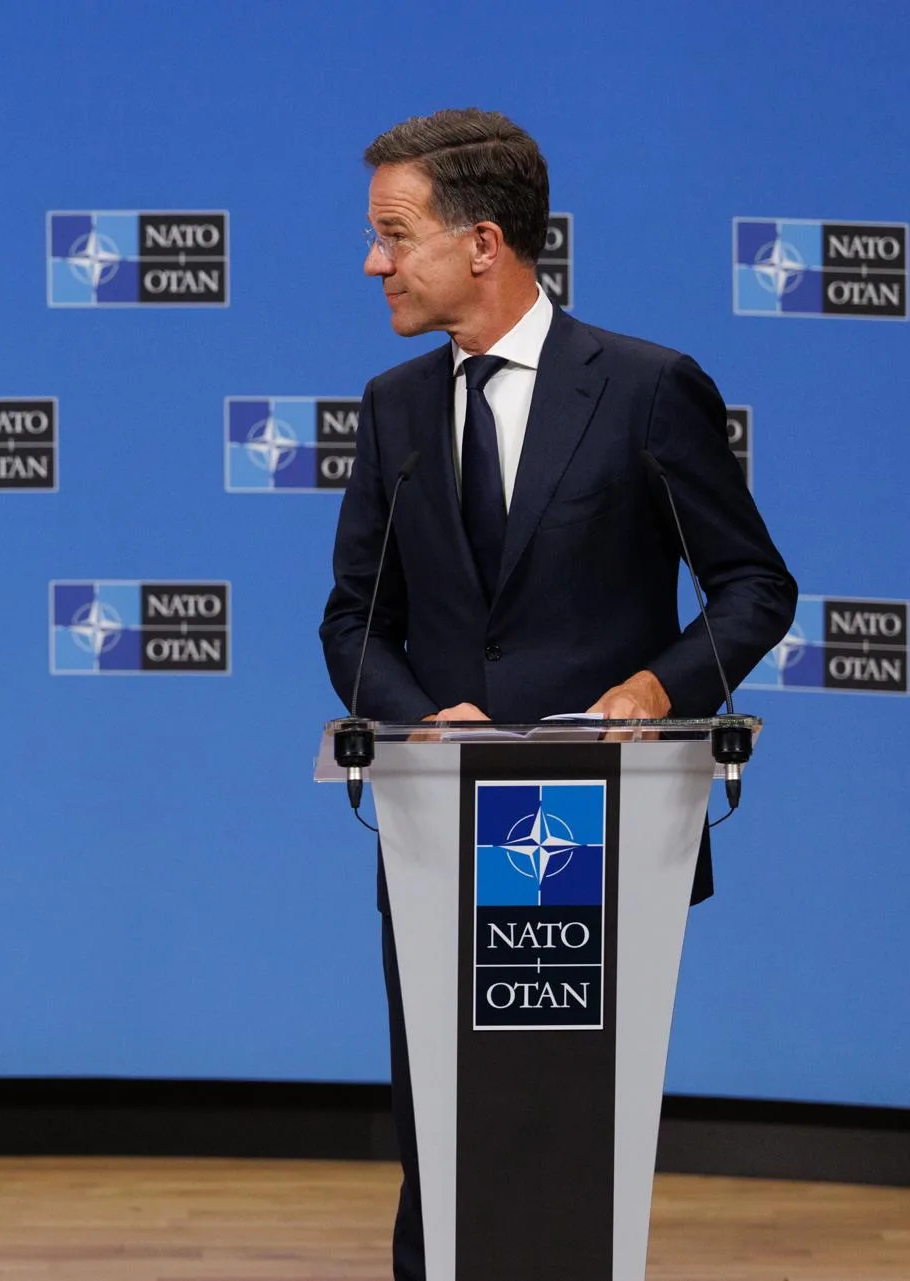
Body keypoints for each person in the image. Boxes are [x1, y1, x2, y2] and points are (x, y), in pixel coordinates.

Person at [318, 109, 795, 1281]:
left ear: (485, 243)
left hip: (602, 835)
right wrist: (424, 715)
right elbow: (353, 620)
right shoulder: (392, 411)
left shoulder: (644, 389)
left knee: (566, 1144)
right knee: (443, 1151)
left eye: (394, 234)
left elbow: (752, 585)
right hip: (439, 836)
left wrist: (653, 686)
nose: (373, 261)